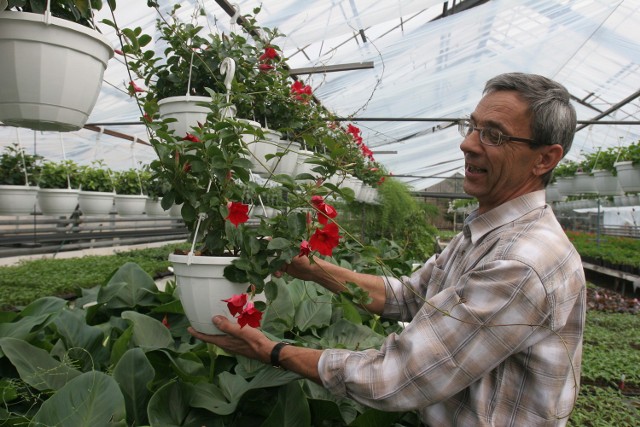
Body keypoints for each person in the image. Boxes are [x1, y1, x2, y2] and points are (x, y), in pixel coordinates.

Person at [189, 72, 586, 426]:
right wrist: (311, 268)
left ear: (545, 159)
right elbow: (408, 296)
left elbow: (396, 376)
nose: (468, 144)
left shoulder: (521, 262)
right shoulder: (489, 233)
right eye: (472, 126)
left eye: (493, 135)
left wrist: (273, 351)